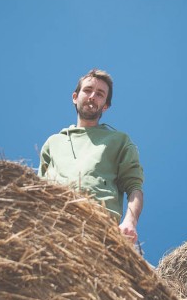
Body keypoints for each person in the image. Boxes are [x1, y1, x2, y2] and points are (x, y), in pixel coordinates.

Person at [40, 69, 145, 246]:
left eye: (100, 94)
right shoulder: (53, 142)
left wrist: (129, 222)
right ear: (75, 97)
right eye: (87, 90)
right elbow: (39, 190)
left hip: (99, 229)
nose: (92, 96)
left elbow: (134, 187)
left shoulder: (119, 140)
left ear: (105, 105)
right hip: (53, 226)